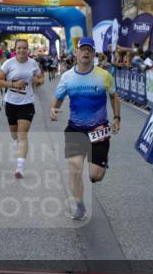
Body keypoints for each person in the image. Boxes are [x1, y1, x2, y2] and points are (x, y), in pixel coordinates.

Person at [49, 36, 120, 221]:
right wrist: (53, 109)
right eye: (83, 49)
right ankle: (79, 206)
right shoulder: (67, 77)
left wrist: (117, 118)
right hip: (76, 129)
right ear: (77, 53)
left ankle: (96, 167)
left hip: (99, 130)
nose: (86, 53)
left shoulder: (104, 75)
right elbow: (58, 97)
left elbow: (114, 97)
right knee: (74, 168)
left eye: (90, 50)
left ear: (94, 54)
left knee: (96, 175)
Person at [0, 38, 45, 179]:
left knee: (22, 134)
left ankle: (20, 167)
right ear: (15, 50)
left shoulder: (33, 63)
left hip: (27, 102)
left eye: (24, 48)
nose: (22, 50)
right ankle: (19, 146)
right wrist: (13, 84)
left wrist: (38, 81)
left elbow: (41, 79)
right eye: (19, 48)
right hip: (11, 103)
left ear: (28, 50)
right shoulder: (8, 63)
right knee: (15, 134)